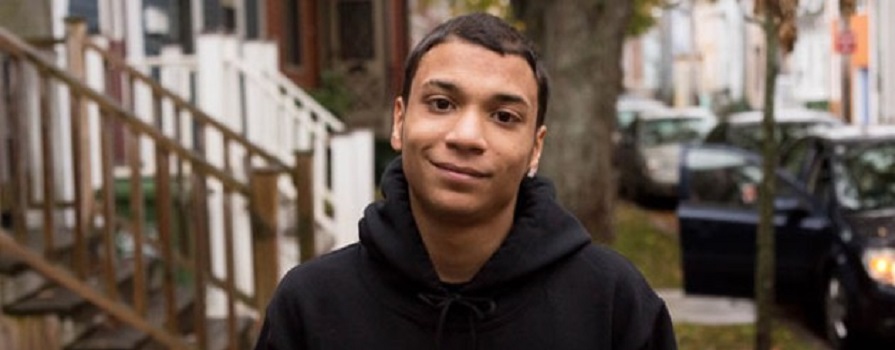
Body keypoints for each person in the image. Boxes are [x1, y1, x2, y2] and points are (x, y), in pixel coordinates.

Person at [255, 12, 676, 350]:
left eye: (504, 117)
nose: (466, 136)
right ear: (400, 121)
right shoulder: (311, 307)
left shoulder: (613, 305)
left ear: (535, 148)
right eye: (441, 104)